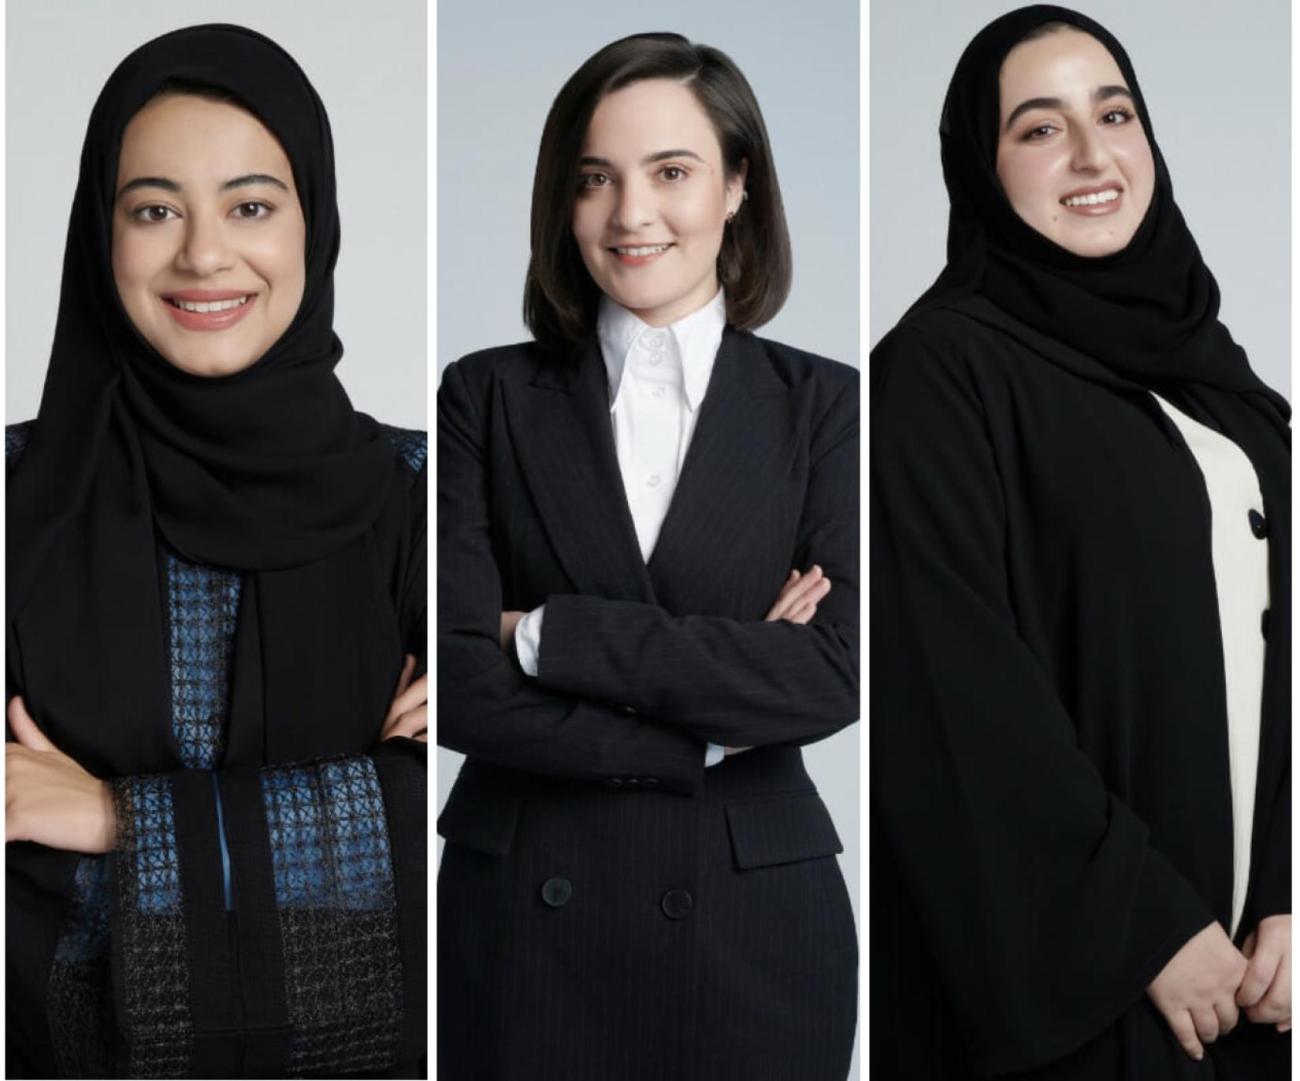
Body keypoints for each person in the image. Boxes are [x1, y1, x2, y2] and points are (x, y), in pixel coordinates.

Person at [871, 6, 1290, 1079]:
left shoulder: (1221, 385)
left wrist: (1290, 890)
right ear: (982, 164)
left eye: (1115, 113)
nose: (1094, 154)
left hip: (1253, 981)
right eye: (1040, 127)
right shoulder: (938, 373)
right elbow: (952, 691)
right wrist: (1142, 925)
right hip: (1084, 986)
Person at [5, 25, 427, 1079]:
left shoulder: (423, 493)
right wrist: (352, 797)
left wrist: (116, 818)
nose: (202, 253)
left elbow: (465, 822)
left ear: (311, 224)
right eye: (154, 209)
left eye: (249, 204)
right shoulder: (16, 495)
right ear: (100, 235)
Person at [437, 31, 859, 1081]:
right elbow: (458, 686)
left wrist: (542, 632)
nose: (630, 214)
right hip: (527, 917)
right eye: (596, 179)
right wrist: (711, 716)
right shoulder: (482, 396)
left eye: (670, 172)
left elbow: (831, 675)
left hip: (752, 921)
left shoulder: (828, 405)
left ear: (736, 187)